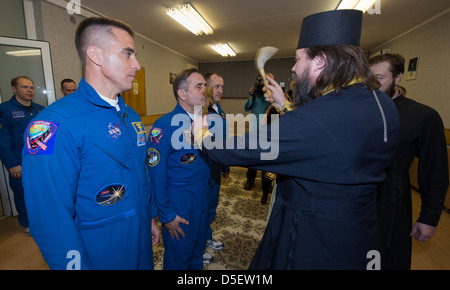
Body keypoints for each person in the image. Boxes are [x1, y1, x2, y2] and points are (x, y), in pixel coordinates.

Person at [193, 9, 400, 269]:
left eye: (299, 59)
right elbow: (328, 141)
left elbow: (237, 150)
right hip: (360, 231)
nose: (293, 67)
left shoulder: (318, 117)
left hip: (315, 238)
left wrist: (202, 134)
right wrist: (285, 105)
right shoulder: (382, 102)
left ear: (320, 61)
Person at [21, 17, 158, 270]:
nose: (137, 65)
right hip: (99, 250)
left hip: (139, 237)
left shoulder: (131, 116)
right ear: (95, 55)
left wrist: (150, 218)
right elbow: (51, 218)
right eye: (127, 54)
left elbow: (141, 175)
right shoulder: (54, 125)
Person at [369, 53, 449, 270]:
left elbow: (434, 171)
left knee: (384, 259)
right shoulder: (360, 109)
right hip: (356, 200)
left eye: (379, 78)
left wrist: (429, 217)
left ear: (398, 77)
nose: (372, 85)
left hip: (391, 200)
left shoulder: (422, 115)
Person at [147, 68, 209, 270]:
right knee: (179, 258)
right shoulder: (163, 125)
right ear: (182, 94)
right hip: (180, 202)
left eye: (204, 86)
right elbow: (156, 176)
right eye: (198, 87)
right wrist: (166, 215)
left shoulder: (204, 123)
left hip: (202, 197)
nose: (204, 91)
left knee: (197, 251)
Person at [0, 76, 44, 234]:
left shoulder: (41, 109)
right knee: (22, 192)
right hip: (19, 160)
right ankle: (27, 223)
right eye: (25, 87)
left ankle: (43, 220)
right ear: (14, 89)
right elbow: (2, 140)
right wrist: (11, 164)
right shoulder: (4, 110)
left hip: (41, 160)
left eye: (31, 87)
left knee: (42, 191)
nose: (29, 90)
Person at [203, 73, 229, 260]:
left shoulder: (219, 110)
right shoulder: (201, 110)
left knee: (212, 205)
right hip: (203, 168)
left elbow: (223, 140)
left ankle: (207, 236)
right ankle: (199, 245)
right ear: (207, 88)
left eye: (221, 86)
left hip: (216, 167)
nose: (220, 90)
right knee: (201, 207)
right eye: (216, 86)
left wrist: (225, 165)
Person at [243, 73, 273, 204]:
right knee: (252, 158)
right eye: (262, 79)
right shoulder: (255, 93)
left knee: (266, 161)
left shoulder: (271, 94)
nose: (263, 82)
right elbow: (246, 107)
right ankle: (250, 179)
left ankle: (265, 190)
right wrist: (252, 96)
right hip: (254, 131)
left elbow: (276, 107)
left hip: (268, 133)